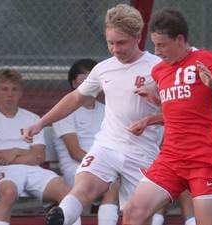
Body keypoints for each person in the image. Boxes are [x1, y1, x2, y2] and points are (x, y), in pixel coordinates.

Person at [22, 4, 164, 225]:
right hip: (107, 145)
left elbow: (180, 112)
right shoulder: (103, 68)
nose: (115, 49)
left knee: (135, 217)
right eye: (110, 42)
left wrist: (155, 103)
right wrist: (41, 123)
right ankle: (59, 218)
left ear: (138, 37)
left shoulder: (159, 68)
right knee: (84, 186)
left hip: (142, 153)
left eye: (121, 43)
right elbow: (75, 98)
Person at [123, 8, 212, 225]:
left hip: (204, 161)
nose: (157, 51)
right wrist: (155, 101)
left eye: (162, 45)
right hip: (170, 159)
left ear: (180, 40)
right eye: (154, 44)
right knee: (133, 211)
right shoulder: (159, 71)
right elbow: (180, 109)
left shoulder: (206, 59)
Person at [0, 69, 80, 225]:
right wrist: (26, 154)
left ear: (21, 92)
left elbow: (39, 157)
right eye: (5, 89)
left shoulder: (32, 118)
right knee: (8, 193)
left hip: (32, 170)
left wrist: (14, 152)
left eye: (14, 89)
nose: (10, 94)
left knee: (67, 193)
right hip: (1, 171)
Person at [129, 97, 212, 225]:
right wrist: (150, 116)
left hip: (211, 168)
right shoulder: (178, 97)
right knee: (180, 185)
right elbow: (164, 144)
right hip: (178, 167)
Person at [52, 58, 120, 224]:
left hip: (104, 164)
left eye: (93, 76)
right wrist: (105, 165)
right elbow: (75, 152)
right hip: (76, 167)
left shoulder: (107, 110)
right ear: (74, 83)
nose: (90, 81)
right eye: (84, 77)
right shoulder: (64, 110)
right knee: (111, 182)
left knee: (128, 183)